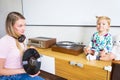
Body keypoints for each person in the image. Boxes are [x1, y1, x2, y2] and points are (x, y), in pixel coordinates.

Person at [0, 12, 44, 80]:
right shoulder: (4, 42)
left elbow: (19, 57)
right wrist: (24, 70)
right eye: (20, 26)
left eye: (24, 25)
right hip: (9, 77)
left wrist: (29, 51)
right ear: (11, 26)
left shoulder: (22, 39)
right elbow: (0, 71)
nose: (24, 28)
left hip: (22, 72)